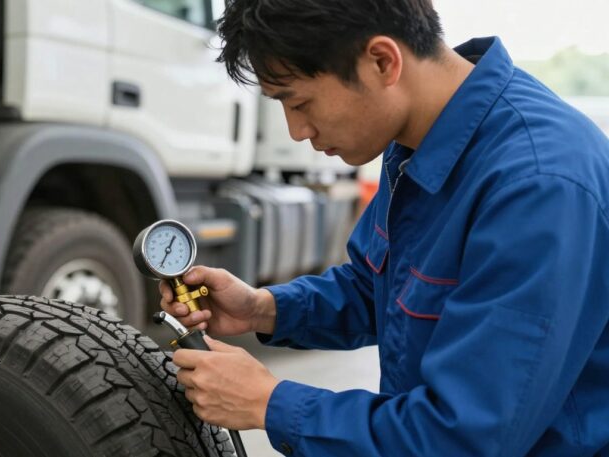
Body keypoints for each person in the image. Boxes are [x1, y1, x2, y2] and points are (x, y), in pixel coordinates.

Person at [159, 0, 609, 455]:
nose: (296, 131)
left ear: (381, 61)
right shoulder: (418, 141)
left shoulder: (537, 185)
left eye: (298, 101)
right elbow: (383, 288)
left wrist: (269, 403)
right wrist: (264, 309)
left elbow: (463, 437)